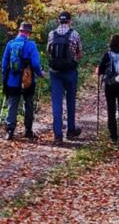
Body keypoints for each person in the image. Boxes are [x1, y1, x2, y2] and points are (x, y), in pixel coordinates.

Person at [1, 22, 43, 141]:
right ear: (28, 33)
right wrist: (40, 73)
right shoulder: (31, 45)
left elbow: (4, 65)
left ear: (19, 31)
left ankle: (10, 130)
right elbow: (35, 64)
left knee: (12, 104)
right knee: (28, 103)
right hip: (27, 81)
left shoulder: (10, 44)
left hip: (12, 80)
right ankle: (28, 130)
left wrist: (5, 79)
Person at [47, 11, 83, 143]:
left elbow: (49, 51)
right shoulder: (75, 34)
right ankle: (71, 130)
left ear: (58, 20)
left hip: (55, 72)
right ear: (70, 20)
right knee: (70, 101)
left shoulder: (51, 34)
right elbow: (79, 54)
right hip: (70, 72)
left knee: (57, 103)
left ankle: (57, 134)